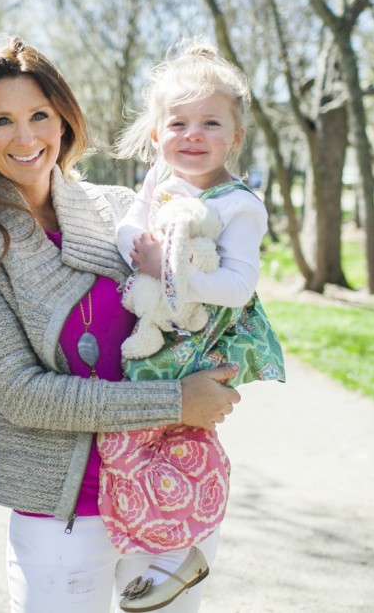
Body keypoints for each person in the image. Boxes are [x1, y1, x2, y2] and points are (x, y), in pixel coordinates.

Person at [0, 36, 241, 613]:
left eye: (39, 116)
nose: (25, 137)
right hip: (65, 509)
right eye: (2, 120)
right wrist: (176, 402)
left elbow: (191, 308)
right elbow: (22, 396)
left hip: (167, 485)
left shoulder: (119, 206)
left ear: (63, 119)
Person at [105, 41, 286, 611]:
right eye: (178, 122)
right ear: (157, 134)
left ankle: (188, 544)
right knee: (135, 444)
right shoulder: (159, 178)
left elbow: (238, 286)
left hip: (203, 340)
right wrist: (136, 247)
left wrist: (168, 268)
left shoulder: (240, 205)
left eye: (210, 123)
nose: (193, 134)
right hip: (157, 335)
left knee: (171, 436)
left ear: (235, 137)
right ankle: (160, 549)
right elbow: (127, 229)